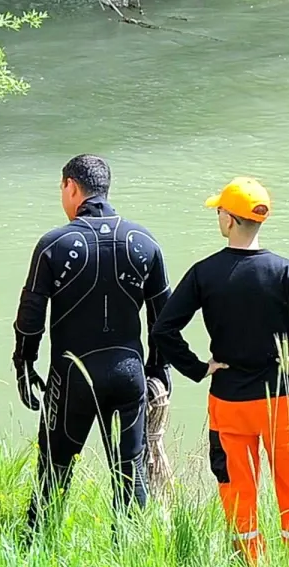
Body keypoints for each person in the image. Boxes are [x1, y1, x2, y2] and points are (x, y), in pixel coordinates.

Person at [151, 177, 289, 566]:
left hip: (230, 402)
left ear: (230, 220)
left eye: (219, 211)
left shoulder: (204, 273)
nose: (217, 217)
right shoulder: (285, 271)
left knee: (236, 489)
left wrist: (199, 367)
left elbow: (163, 331)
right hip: (283, 401)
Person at [13, 154, 172, 534]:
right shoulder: (144, 241)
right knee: (130, 472)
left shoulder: (54, 243)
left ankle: (37, 551)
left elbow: (30, 314)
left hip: (72, 377)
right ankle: (130, 558)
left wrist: (23, 364)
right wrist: (159, 368)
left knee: (55, 469)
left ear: (71, 187)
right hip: (128, 374)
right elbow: (164, 317)